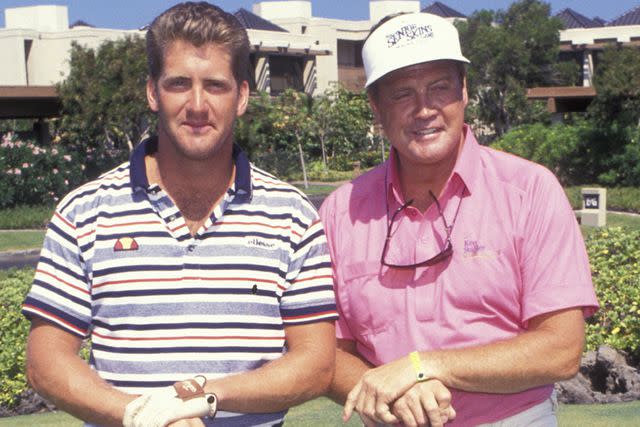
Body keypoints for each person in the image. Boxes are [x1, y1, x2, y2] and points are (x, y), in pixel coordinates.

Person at [22, 3, 338, 427]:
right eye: (178, 84)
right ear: (153, 91)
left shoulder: (292, 216)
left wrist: (200, 398)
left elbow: (316, 364)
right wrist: (142, 415)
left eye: (215, 85)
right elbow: (46, 363)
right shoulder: (84, 212)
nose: (197, 104)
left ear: (242, 96)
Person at [319, 12, 599, 427]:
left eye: (439, 88)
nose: (424, 109)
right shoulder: (340, 213)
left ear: (464, 91)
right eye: (401, 94)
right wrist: (393, 394)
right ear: (376, 108)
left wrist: (423, 366)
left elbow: (560, 350)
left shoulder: (530, 191)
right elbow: (327, 354)